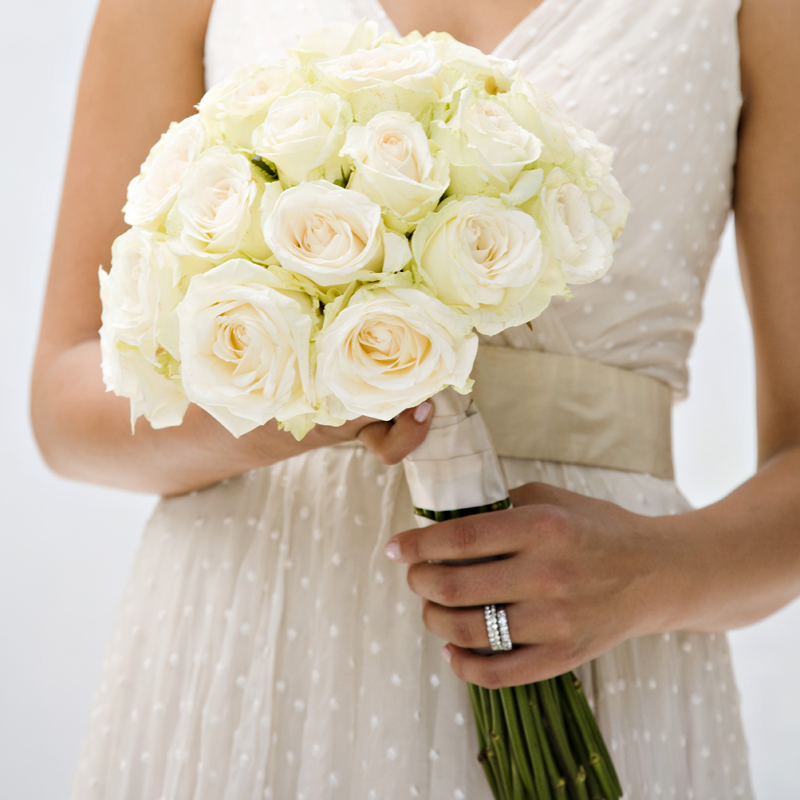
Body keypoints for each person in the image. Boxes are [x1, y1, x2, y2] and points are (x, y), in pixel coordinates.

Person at [31, 0, 800, 796]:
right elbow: (65, 397)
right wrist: (284, 400)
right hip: (253, 639)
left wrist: (650, 574)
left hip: (602, 647)